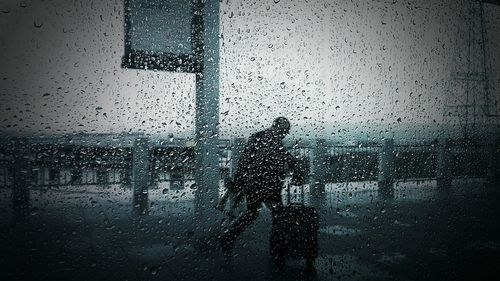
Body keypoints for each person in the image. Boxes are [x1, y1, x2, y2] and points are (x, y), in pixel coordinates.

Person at [220, 117, 302, 256]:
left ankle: (230, 237)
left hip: (261, 184)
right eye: (283, 131)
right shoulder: (265, 139)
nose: (284, 134)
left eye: (285, 132)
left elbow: (246, 160)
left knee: (253, 214)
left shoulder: (265, 138)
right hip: (263, 184)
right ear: (276, 127)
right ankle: (276, 248)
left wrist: (239, 181)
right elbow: (247, 159)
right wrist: (239, 181)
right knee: (275, 215)